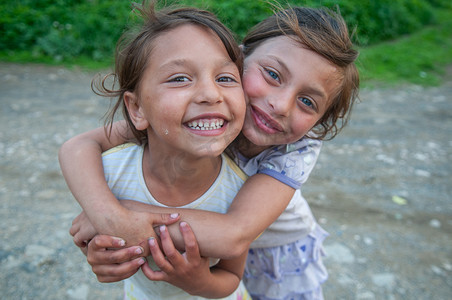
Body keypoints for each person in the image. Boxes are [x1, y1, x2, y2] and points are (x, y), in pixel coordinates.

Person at [60, 4, 359, 300]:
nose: (280, 105)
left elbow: (233, 234)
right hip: (205, 245)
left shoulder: (295, 149)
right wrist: (109, 217)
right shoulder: (206, 113)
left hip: (274, 254)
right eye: (272, 75)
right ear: (239, 58)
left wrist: (122, 215)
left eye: (308, 102)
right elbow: (78, 146)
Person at [60, 2, 255, 299]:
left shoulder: (241, 191)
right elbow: (100, 243)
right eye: (179, 78)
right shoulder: (108, 173)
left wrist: (199, 282)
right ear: (137, 108)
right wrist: (104, 253)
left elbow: (230, 276)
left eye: (225, 78)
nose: (210, 94)